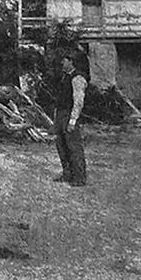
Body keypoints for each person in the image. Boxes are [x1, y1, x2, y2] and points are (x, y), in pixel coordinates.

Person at [53, 52, 88, 186]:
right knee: (61, 145)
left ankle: (79, 177)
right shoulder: (65, 77)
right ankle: (67, 173)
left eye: (65, 60)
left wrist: (73, 120)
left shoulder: (77, 78)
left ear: (71, 62)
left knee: (74, 146)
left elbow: (78, 101)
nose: (62, 63)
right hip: (61, 114)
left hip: (69, 114)